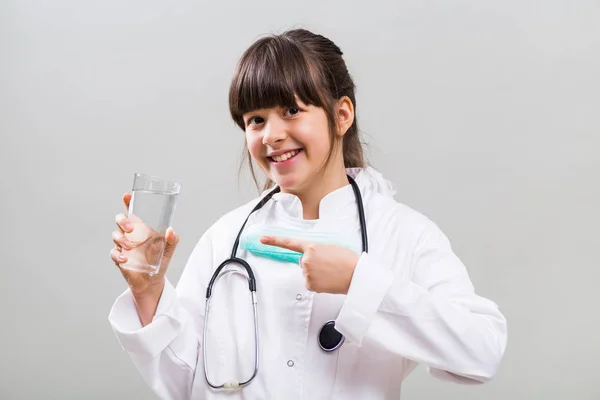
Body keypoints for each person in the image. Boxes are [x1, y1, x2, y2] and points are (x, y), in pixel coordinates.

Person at [108, 28, 507, 400]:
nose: (271, 135)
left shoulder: (404, 233)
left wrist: (359, 282)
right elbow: (187, 382)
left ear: (341, 115)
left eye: (291, 111)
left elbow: (481, 350)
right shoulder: (227, 237)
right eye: (256, 120)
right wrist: (149, 291)